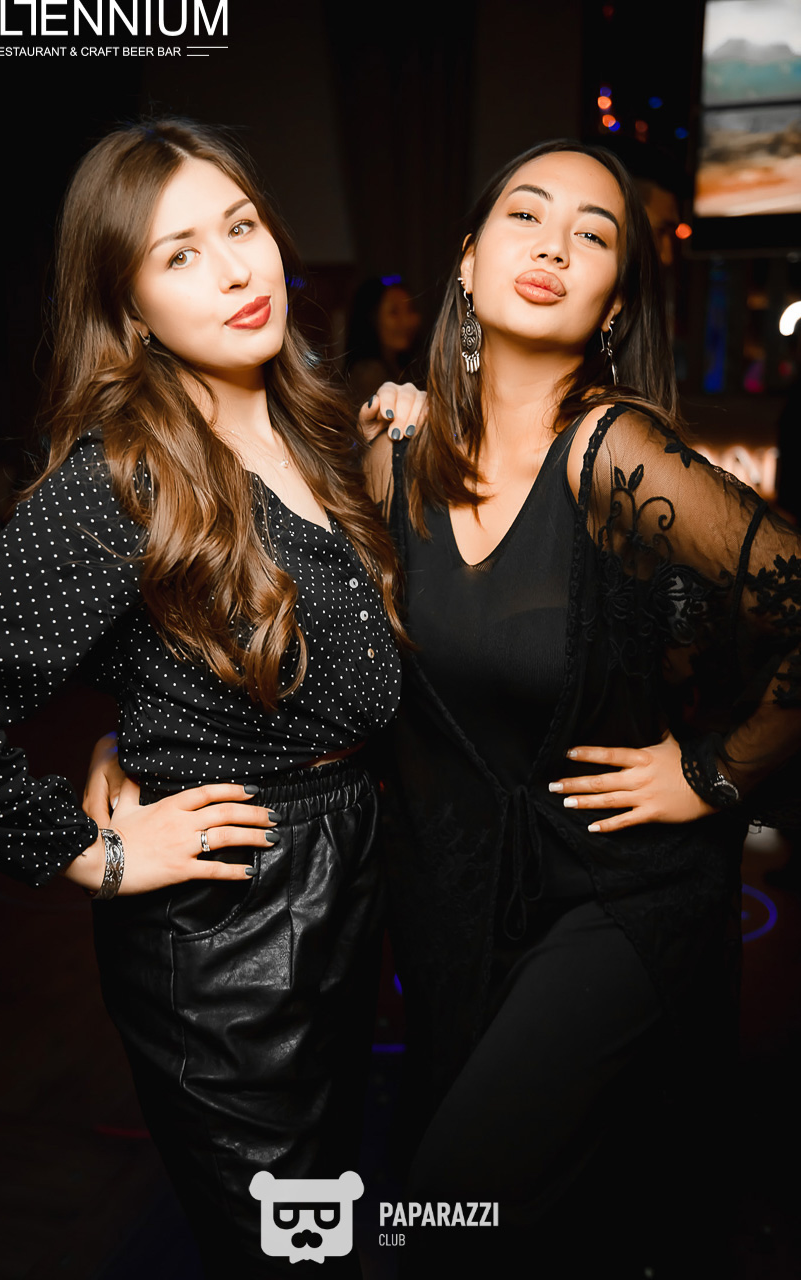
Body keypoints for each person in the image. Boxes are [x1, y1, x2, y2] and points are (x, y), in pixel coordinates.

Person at [0, 117, 420, 1279]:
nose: (234, 269)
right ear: (130, 303)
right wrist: (89, 853)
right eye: (180, 254)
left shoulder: (310, 420)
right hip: (226, 925)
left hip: (345, 877)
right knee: (290, 1253)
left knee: (329, 1211)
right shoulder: (128, 471)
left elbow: (321, 643)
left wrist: (390, 454)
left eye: (241, 227)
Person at [362, 140, 801, 1277]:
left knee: (442, 1212)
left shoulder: (612, 452)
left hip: (619, 895)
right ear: (467, 262)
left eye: (593, 234)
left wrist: (713, 772)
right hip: (463, 903)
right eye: (526, 215)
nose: (554, 245)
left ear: (612, 305)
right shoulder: (394, 456)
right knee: (527, 1222)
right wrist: (124, 741)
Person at [344, 277, 422, 405]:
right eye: (394, 312)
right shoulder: (368, 374)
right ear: (371, 318)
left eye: (410, 309)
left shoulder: (405, 366)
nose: (407, 321)